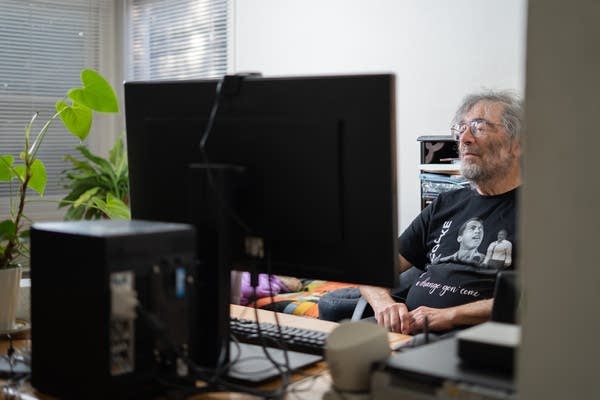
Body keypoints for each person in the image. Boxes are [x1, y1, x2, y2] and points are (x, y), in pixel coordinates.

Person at [360, 90, 522, 335]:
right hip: (406, 327)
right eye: (461, 128)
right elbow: (374, 269)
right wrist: (384, 304)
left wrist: (452, 315)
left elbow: (538, 299)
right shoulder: (446, 202)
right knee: (335, 346)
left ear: (516, 144)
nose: (464, 139)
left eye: (479, 127)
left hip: (469, 335)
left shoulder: (540, 213)